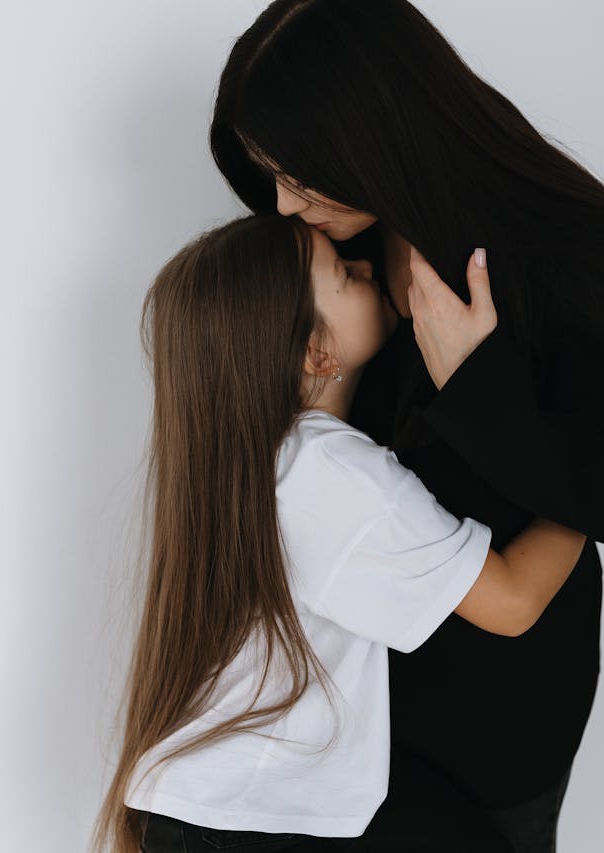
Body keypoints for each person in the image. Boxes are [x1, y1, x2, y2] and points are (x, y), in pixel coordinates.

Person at [208, 0, 604, 849]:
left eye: (298, 175)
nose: (282, 205)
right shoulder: (334, 259)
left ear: (368, 133)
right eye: (269, 176)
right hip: (345, 737)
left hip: (492, 729)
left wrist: (478, 386)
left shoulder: (560, 248)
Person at [91, 213, 585, 853]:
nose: (367, 265)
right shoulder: (332, 473)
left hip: (200, 811)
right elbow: (513, 600)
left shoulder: (248, 465)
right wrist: (579, 481)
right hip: (248, 827)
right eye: (344, 274)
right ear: (316, 353)